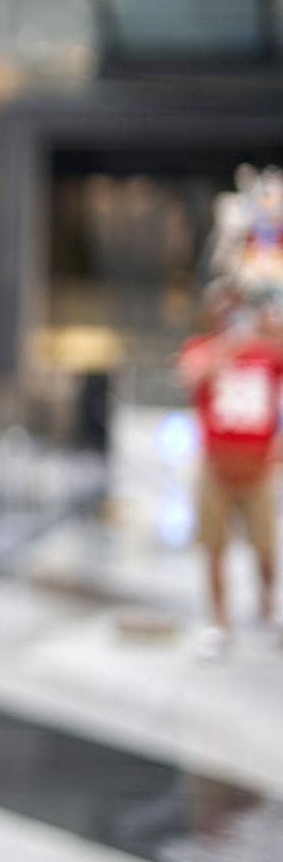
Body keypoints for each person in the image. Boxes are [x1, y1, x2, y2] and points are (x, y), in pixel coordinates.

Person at [176, 281, 283, 659]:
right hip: (215, 467)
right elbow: (191, 374)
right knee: (214, 548)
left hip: (258, 468)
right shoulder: (203, 348)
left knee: (266, 548)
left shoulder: (268, 352)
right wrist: (229, 343)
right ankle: (219, 622)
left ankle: (268, 605)